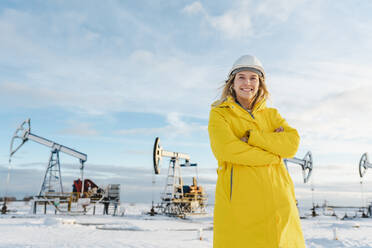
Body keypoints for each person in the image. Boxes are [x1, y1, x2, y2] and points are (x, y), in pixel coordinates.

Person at [208, 55, 305, 247]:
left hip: (279, 200)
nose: (247, 83)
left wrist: (253, 137)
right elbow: (226, 150)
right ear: (232, 83)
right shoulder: (220, 113)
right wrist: (274, 152)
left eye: (253, 78)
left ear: (260, 84)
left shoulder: (272, 115)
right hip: (242, 202)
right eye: (241, 77)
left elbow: (291, 145)